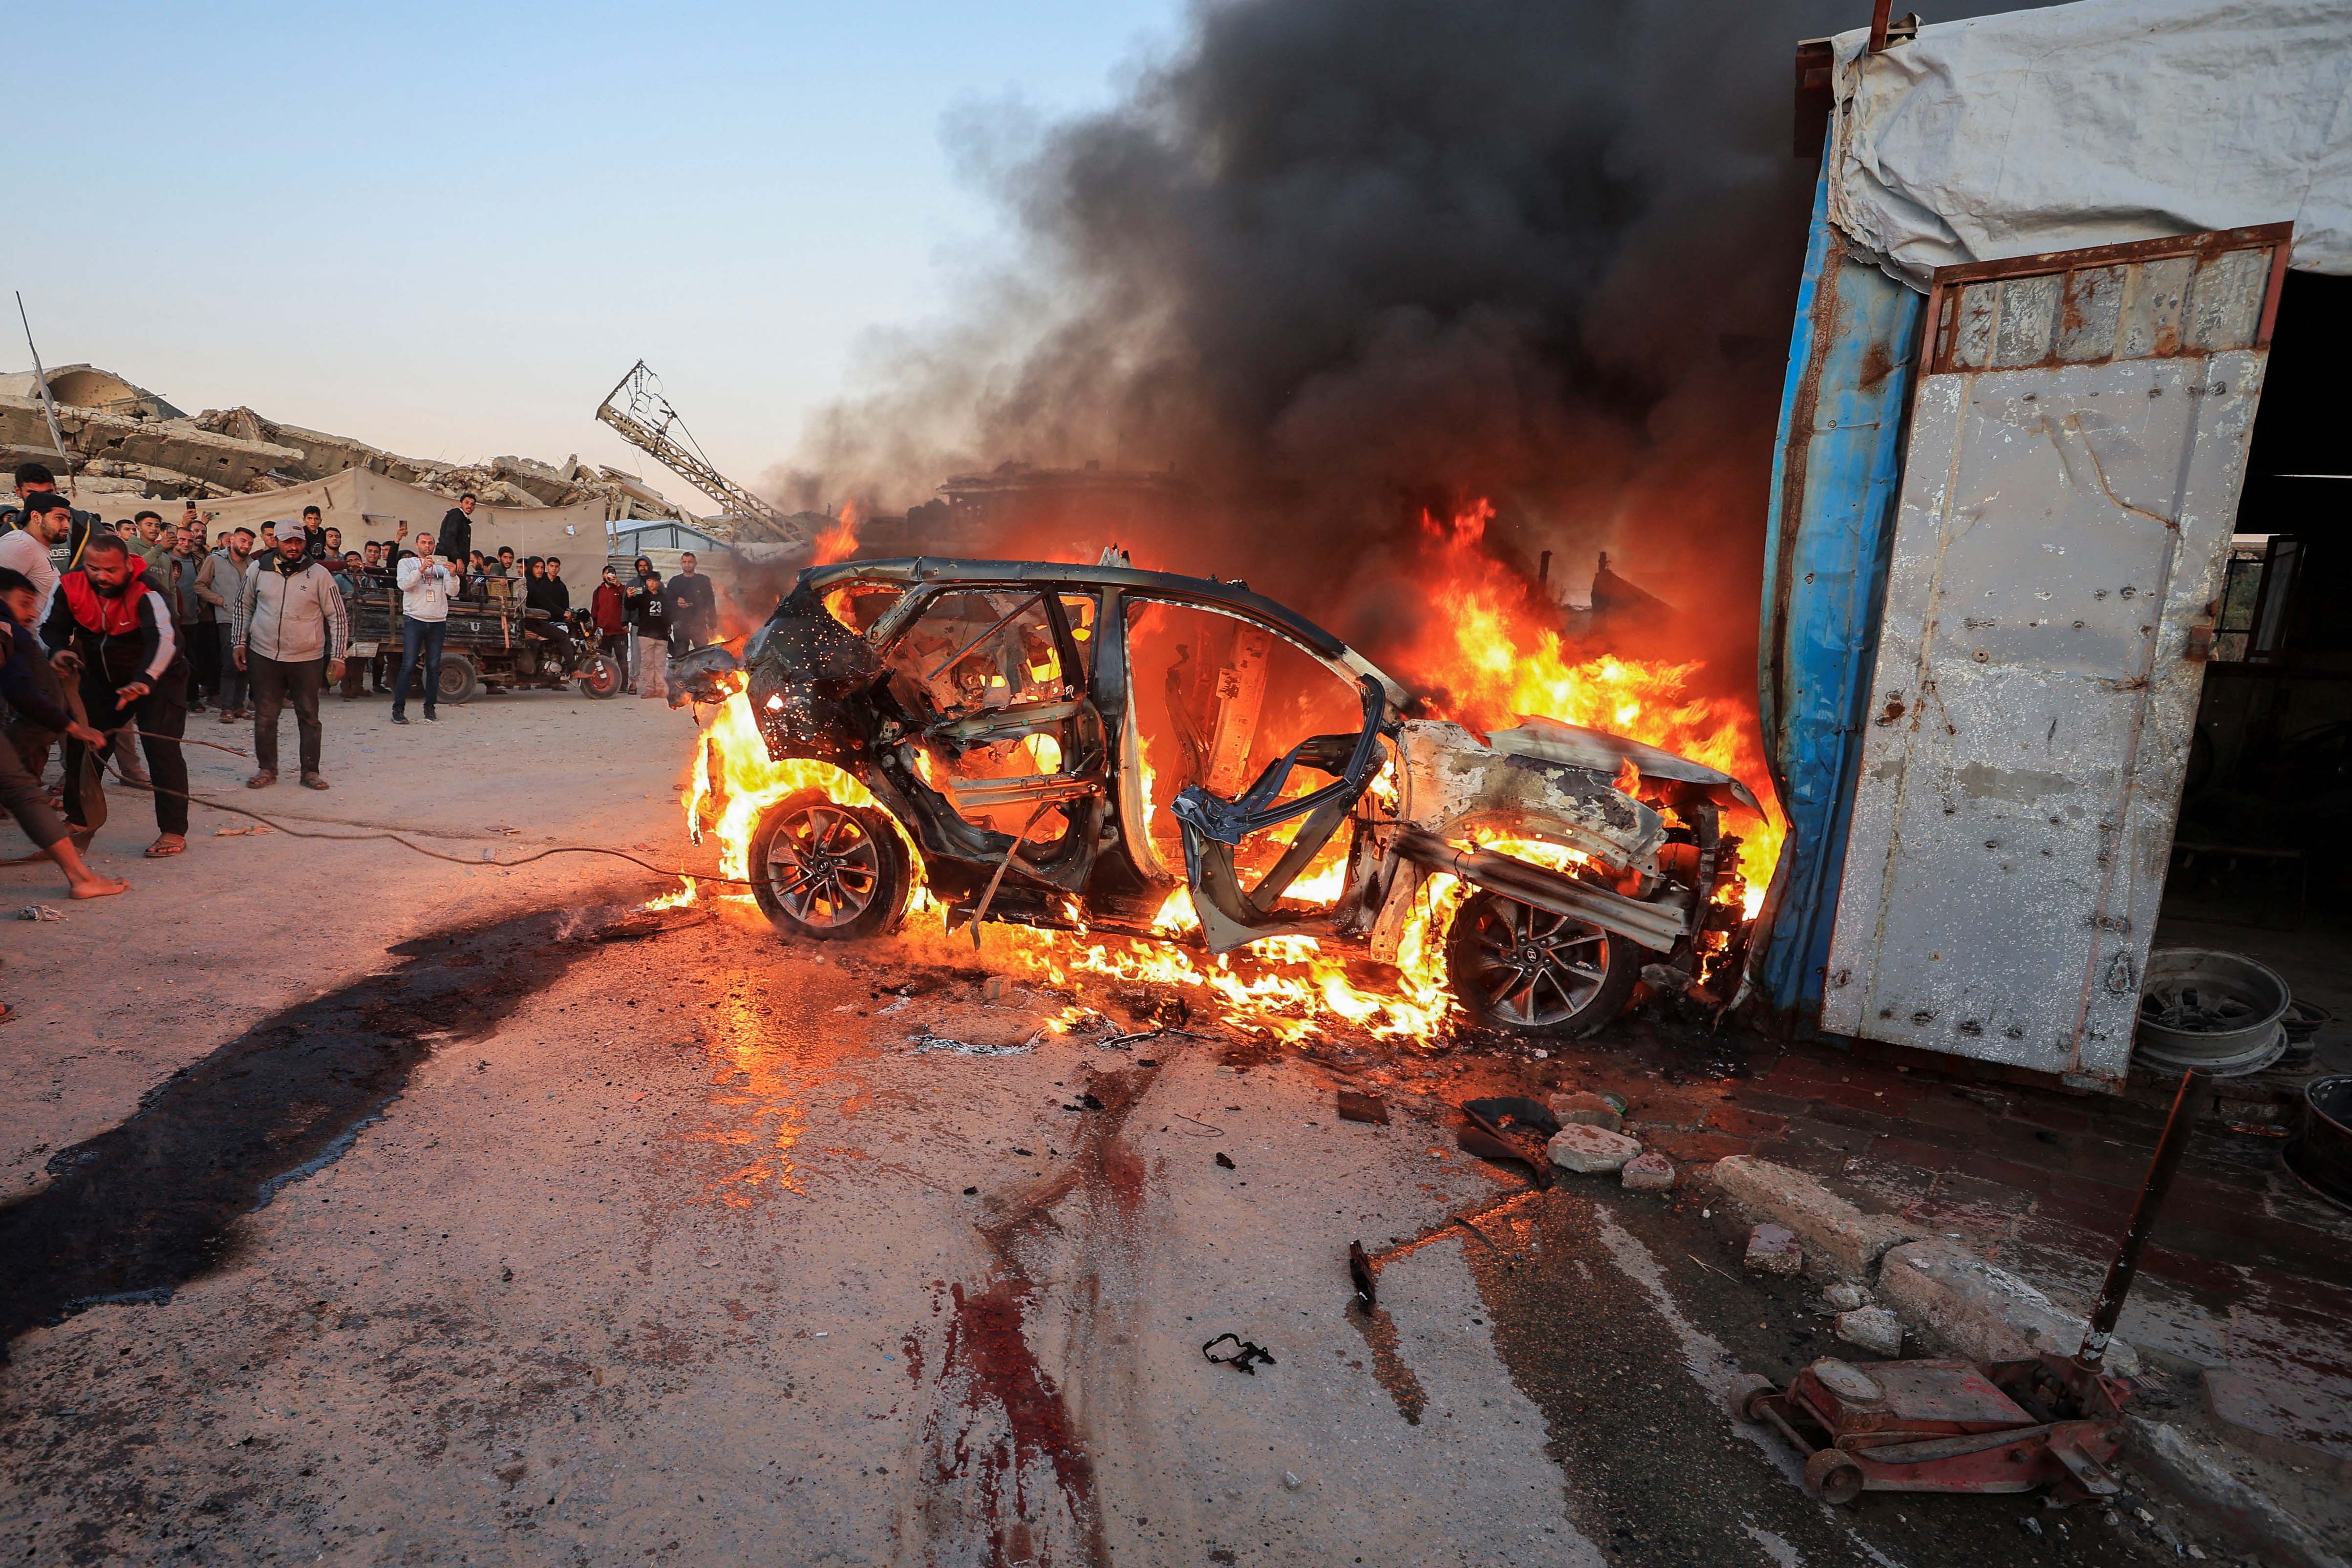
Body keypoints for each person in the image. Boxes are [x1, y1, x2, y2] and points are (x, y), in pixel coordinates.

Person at [43, 534, 192, 857]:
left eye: (110, 570)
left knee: (161, 750)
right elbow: (50, 627)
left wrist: (143, 681)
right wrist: (57, 652)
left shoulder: (148, 590)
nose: (101, 577)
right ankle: (79, 818)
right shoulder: (70, 584)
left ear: (127, 564)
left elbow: (165, 641)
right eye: (93, 568)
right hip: (102, 678)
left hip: (159, 677)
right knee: (86, 747)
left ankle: (172, 830)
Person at [0, 567, 127, 908]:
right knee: (22, 792)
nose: (31, 613)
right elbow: (20, 688)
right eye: (25, 602)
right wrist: (73, 727)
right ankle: (82, 878)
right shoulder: (4, 624)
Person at [232, 522, 348, 790]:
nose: (293, 547)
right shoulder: (257, 569)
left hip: (307, 657)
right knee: (266, 715)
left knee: (309, 716)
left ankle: (310, 771)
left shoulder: (319, 575)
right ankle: (267, 769)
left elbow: (338, 616)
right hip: (264, 654)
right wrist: (238, 642)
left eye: (298, 541)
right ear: (277, 542)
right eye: (287, 542)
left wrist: (339, 656)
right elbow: (243, 606)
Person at [0, 493, 75, 777]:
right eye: (59, 517)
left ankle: (24, 785)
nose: (66, 525)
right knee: (43, 715)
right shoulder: (18, 545)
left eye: (67, 518)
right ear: (35, 516)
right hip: (18, 644)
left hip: (38, 645)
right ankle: (13, 781)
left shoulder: (40, 549)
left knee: (44, 715)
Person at [390, 531, 454, 725]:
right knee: (408, 664)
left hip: (437, 620)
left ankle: (430, 707)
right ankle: (398, 709)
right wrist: (421, 570)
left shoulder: (442, 566)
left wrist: (453, 575)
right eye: (424, 543)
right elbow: (403, 585)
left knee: (434, 667)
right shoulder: (407, 563)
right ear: (417, 544)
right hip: (415, 619)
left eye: (431, 543)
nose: (428, 546)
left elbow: (453, 591)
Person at [195, 527, 254, 722]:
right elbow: (199, 585)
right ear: (232, 541)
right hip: (228, 619)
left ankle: (239, 707)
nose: (246, 546)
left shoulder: (253, 564)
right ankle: (226, 708)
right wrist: (220, 600)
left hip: (251, 620)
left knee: (246, 664)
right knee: (230, 664)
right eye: (243, 541)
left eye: (250, 543)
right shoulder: (215, 560)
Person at [169, 524, 212, 712]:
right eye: (182, 540)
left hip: (191, 621)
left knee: (193, 661)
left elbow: (203, 586)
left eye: (190, 541)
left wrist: (200, 606)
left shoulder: (197, 561)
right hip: (170, 622)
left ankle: (193, 699)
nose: (186, 544)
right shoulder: (165, 560)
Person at [626, 555, 667, 699]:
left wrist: (668, 628)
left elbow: (669, 611)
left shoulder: (662, 592)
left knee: (660, 663)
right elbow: (629, 606)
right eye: (640, 566)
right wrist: (625, 622)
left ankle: (660, 688)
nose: (643, 568)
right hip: (641, 628)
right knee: (641, 659)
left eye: (645, 565)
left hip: (660, 632)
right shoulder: (635, 586)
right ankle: (638, 683)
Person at [665, 551, 716, 654]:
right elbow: (667, 603)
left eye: (690, 562)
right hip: (680, 623)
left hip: (699, 624)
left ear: (695, 563)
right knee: (681, 655)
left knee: (702, 654)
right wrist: (677, 603)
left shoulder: (703, 581)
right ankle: (683, 671)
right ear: (681, 563)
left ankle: (702, 671)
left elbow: (711, 604)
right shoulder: (675, 581)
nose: (687, 564)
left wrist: (712, 626)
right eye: (685, 562)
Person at [591, 565, 628, 683]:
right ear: (603, 576)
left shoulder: (621, 589)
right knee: (604, 659)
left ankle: (623, 684)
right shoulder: (598, 591)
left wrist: (618, 585)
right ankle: (606, 682)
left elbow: (629, 599)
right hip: (604, 632)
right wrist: (595, 629)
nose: (610, 576)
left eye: (612, 573)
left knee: (622, 659)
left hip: (619, 632)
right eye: (607, 573)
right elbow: (594, 612)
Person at [436, 494, 475, 568]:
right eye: (467, 503)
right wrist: (458, 558)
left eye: (472, 504)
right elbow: (450, 537)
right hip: (448, 560)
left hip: (455, 562)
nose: (469, 506)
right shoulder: (456, 514)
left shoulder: (465, 522)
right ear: (460, 504)